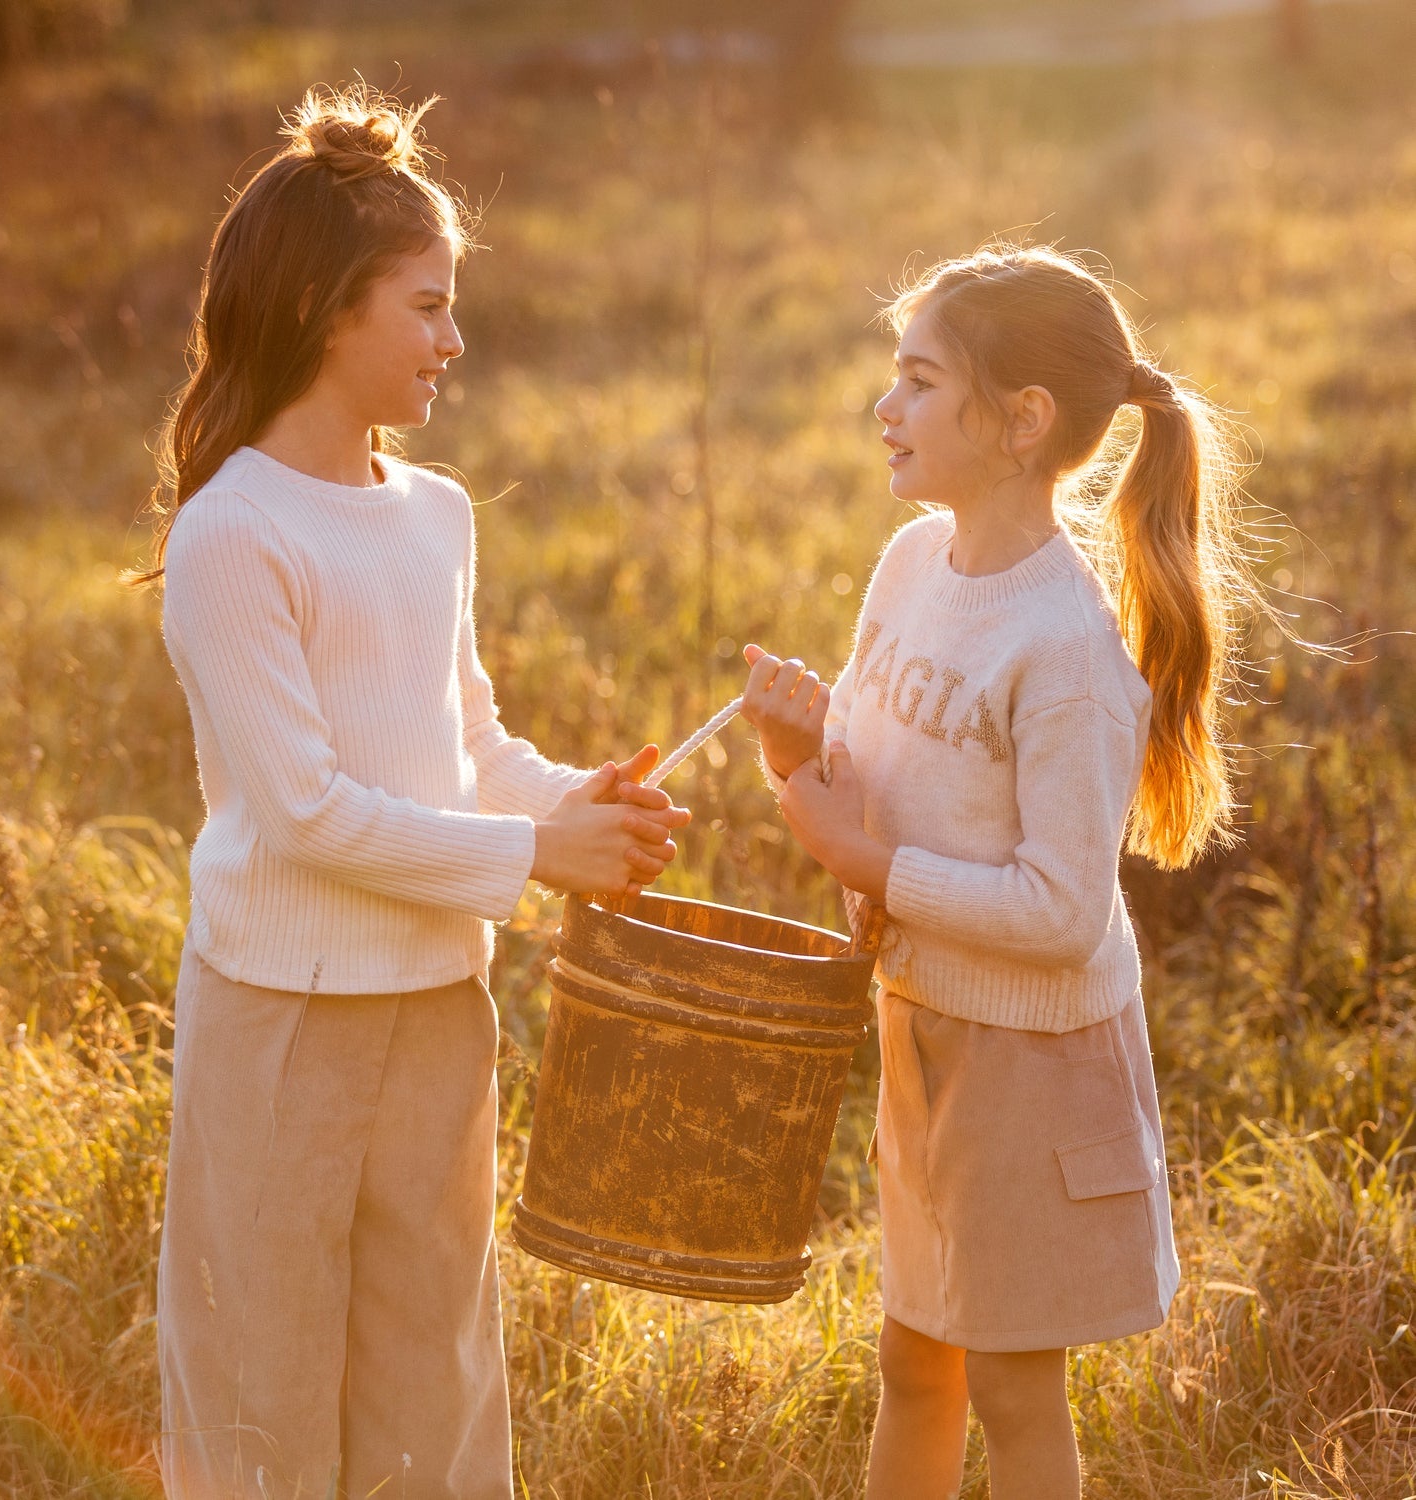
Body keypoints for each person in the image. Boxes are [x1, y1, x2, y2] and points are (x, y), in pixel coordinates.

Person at [137, 85, 690, 1500]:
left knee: (431, 1390)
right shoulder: (232, 536)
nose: (455, 341)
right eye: (428, 307)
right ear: (329, 311)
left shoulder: (434, 514)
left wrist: (583, 806)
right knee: (258, 1390)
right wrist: (532, 853)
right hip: (280, 1020)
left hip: (439, 1010)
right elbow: (310, 813)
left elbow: (467, 738)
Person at [740, 244, 1259, 1500]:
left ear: (1022, 422)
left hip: (1029, 1067)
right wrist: (799, 751)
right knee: (916, 1359)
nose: (886, 407)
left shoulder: (1067, 651)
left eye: (919, 382)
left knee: (1015, 1390)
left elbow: (1064, 912)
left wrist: (867, 856)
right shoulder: (914, 566)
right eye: (893, 379)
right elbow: (870, 766)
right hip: (922, 1030)